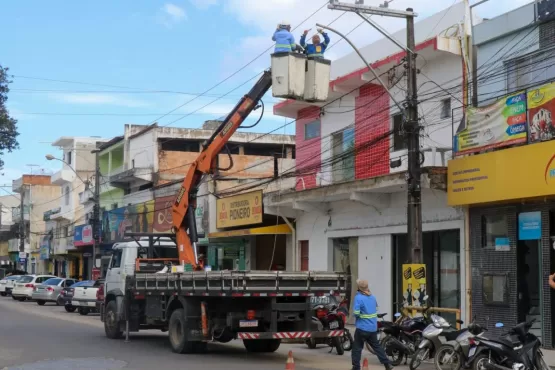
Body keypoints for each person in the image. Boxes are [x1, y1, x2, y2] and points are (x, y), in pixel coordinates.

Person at [351, 279, 393, 370]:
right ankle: (387, 364)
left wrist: (356, 315)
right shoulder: (373, 297)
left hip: (362, 328)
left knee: (357, 348)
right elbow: (376, 309)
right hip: (372, 328)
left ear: (359, 288)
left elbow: (356, 313)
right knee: (377, 347)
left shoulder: (358, 298)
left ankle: (356, 367)